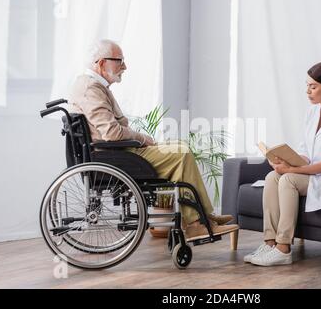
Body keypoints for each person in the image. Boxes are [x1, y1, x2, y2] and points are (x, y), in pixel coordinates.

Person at [69, 39, 238, 241]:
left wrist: (139, 139)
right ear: (102, 63)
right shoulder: (91, 89)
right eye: (119, 61)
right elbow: (111, 133)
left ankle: (204, 217)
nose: (124, 66)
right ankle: (195, 224)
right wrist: (142, 138)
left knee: (180, 147)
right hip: (113, 155)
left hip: (115, 152)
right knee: (180, 154)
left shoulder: (93, 86)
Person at [245, 62, 321, 266]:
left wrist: (291, 169)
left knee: (288, 179)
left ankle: (283, 248)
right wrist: (286, 160)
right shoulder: (312, 113)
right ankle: (270, 242)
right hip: (314, 174)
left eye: (313, 86)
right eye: (307, 85)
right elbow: (307, 152)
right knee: (272, 177)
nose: (307, 91)